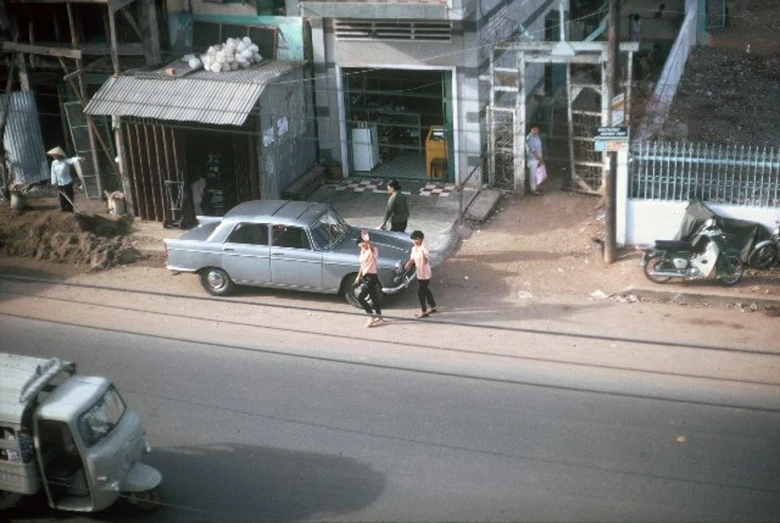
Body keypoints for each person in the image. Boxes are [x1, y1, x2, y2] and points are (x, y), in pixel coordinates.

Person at [405, 230, 437, 318]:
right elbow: (412, 259)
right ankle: (433, 306)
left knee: (421, 292)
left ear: (421, 239)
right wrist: (409, 263)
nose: (414, 241)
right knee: (426, 290)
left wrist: (424, 257)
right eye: (413, 239)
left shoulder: (424, 250)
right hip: (419, 272)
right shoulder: (414, 248)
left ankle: (424, 311)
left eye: (416, 239)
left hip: (425, 274)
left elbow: (426, 261)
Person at [355, 230, 384, 327]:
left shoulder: (373, 250)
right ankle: (379, 316)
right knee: (374, 297)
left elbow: (370, 246)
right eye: (360, 243)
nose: (362, 244)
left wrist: (366, 239)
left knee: (360, 298)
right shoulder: (362, 251)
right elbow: (362, 265)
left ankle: (370, 316)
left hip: (371, 277)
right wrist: (358, 277)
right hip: (365, 276)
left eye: (363, 242)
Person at [48, 146, 84, 212]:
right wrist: (54, 182)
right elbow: (53, 173)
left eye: (55, 155)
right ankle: (63, 211)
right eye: (53, 155)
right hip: (59, 184)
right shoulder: (54, 163)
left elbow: (72, 160)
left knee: (69, 197)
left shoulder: (65, 161)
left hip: (68, 183)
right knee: (61, 199)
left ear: (58, 155)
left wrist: (79, 158)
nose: (54, 156)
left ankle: (70, 210)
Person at [525, 125, 545, 196]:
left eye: (538, 129)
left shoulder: (537, 136)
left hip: (538, 158)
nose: (537, 131)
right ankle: (533, 190)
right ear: (531, 129)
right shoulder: (529, 137)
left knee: (537, 174)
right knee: (532, 175)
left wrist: (541, 158)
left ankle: (536, 188)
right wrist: (539, 159)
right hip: (533, 159)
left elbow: (540, 148)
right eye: (535, 129)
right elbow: (532, 150)